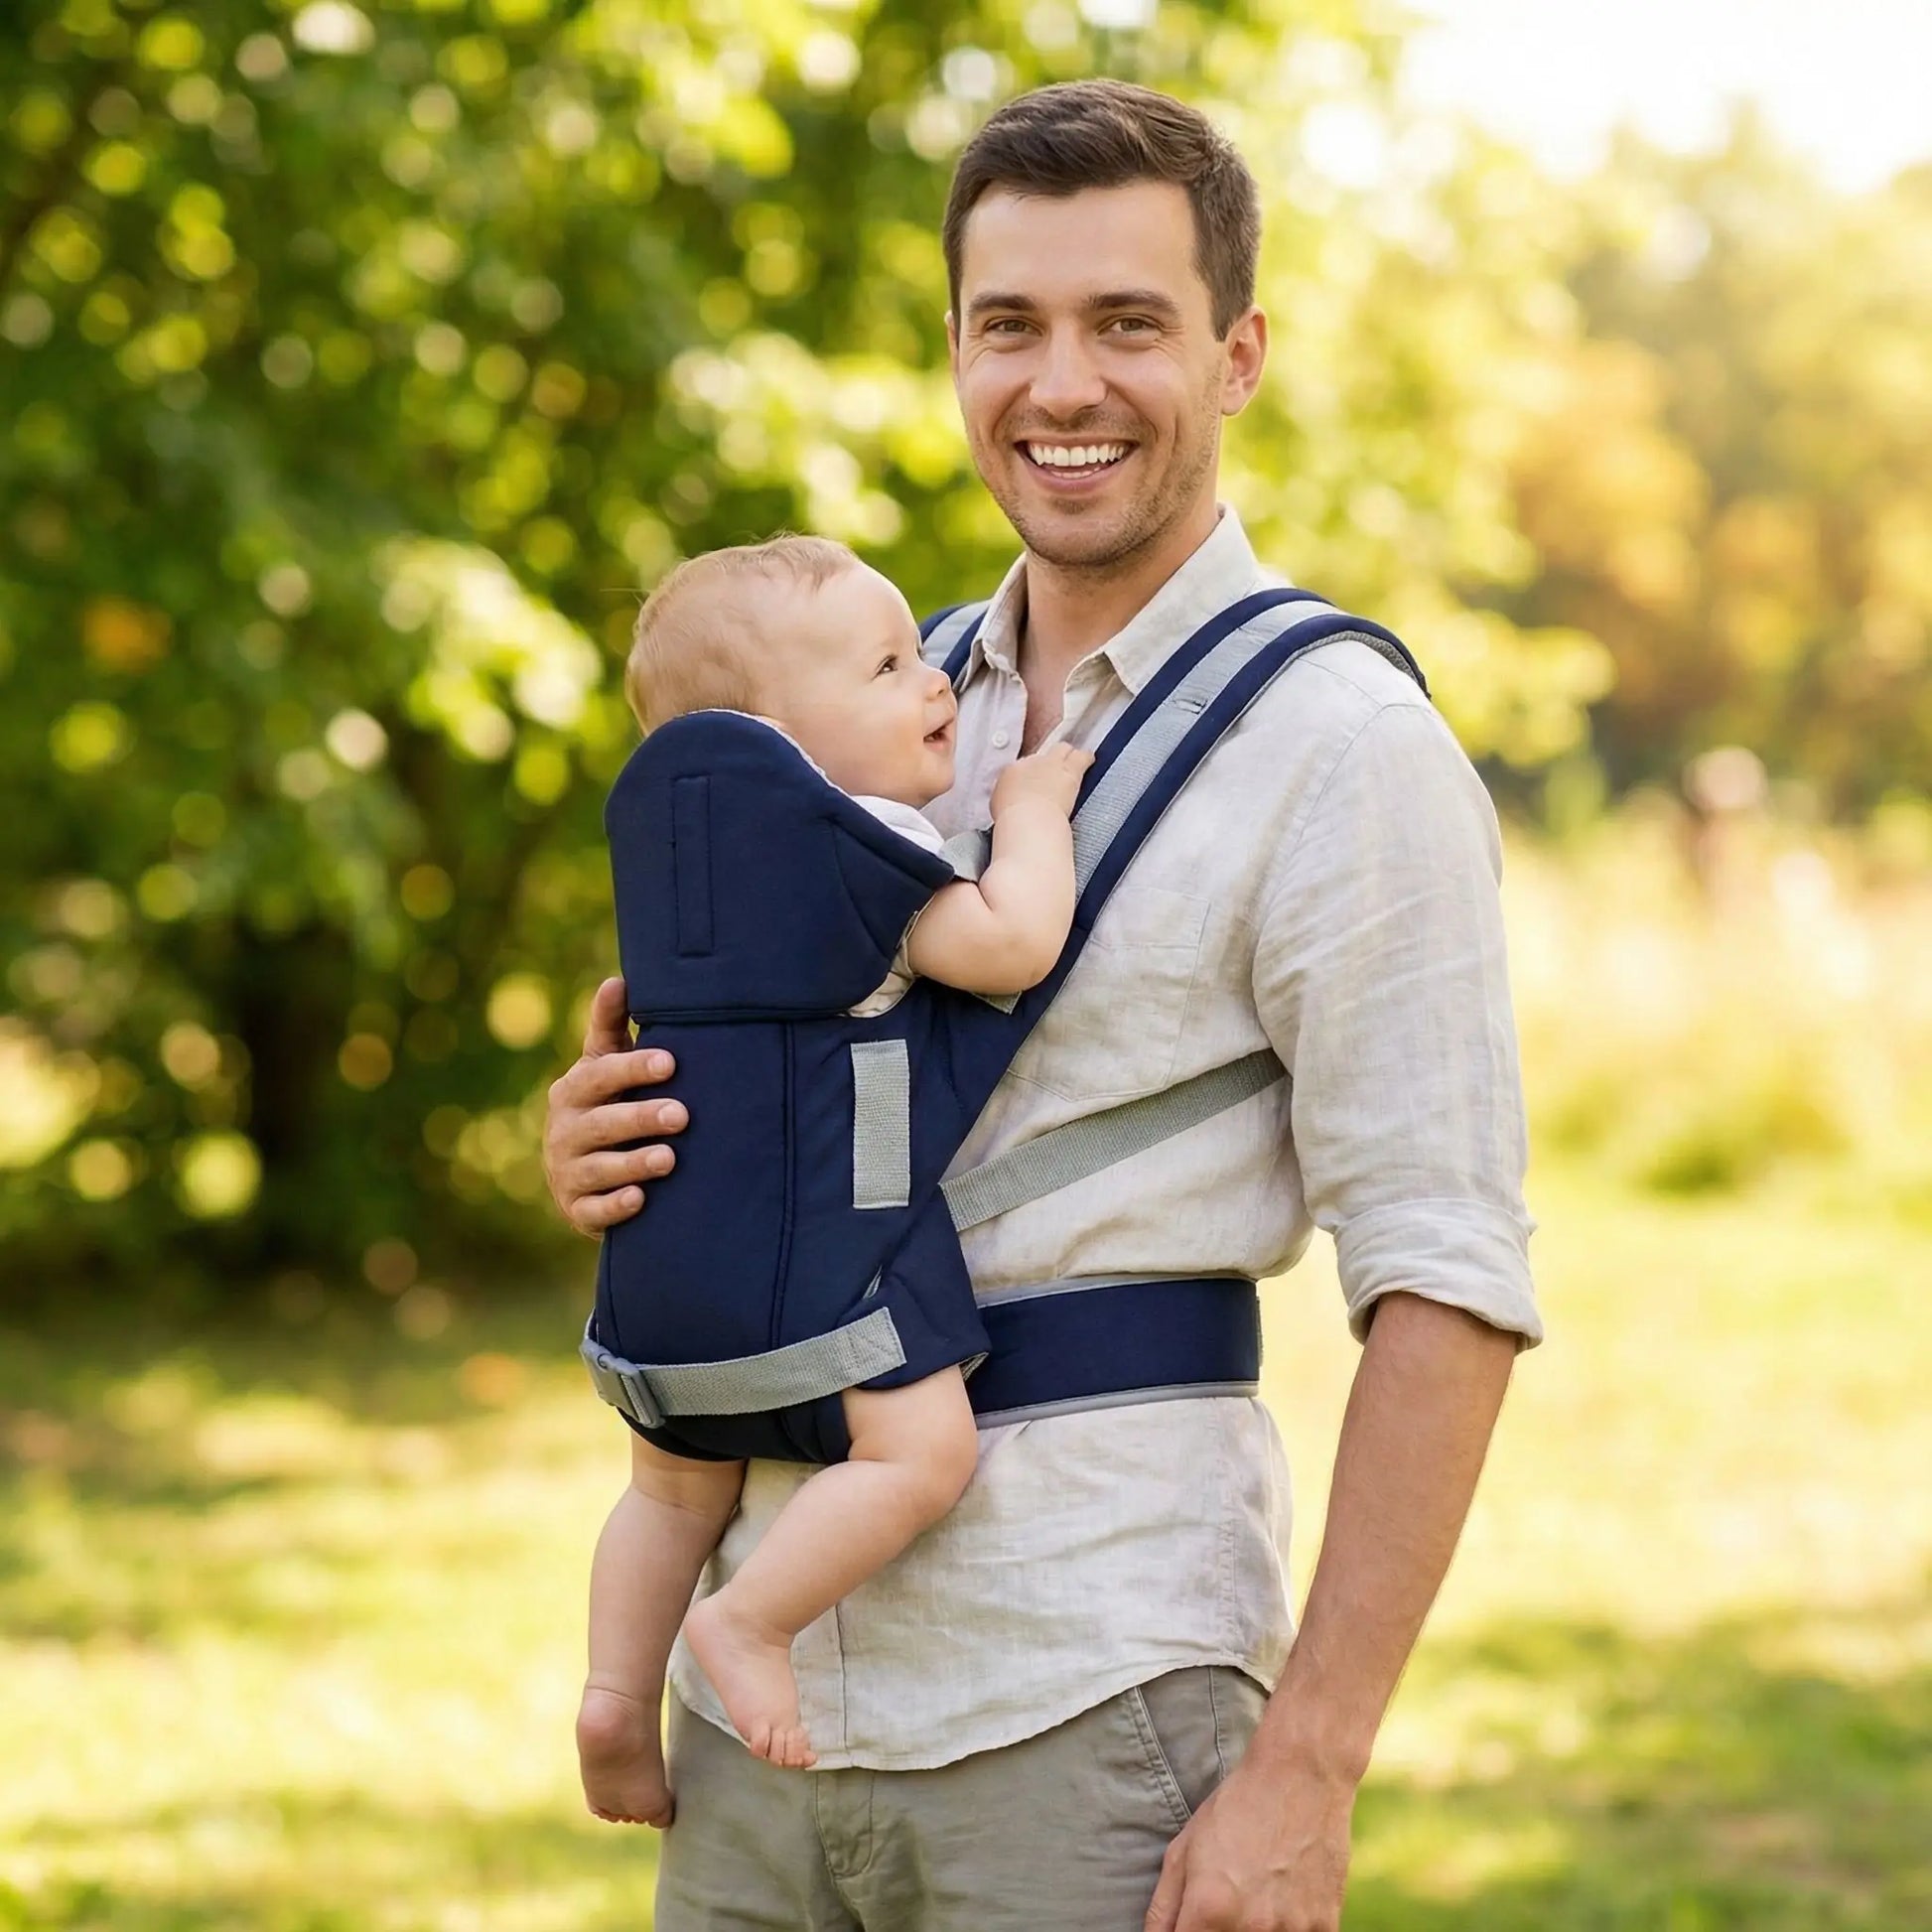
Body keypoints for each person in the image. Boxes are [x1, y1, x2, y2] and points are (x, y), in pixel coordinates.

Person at [544, 78, 1542, 1932]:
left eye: (1127, 323)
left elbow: (1446, 1276)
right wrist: (604, 1135)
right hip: (761, 1694)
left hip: (1087, 1703)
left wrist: (1305, 1768)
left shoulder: (1344, 749)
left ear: (1236, 354)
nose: (1060, 383)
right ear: (952, 350)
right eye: (1011, 325)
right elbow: (762, 1081)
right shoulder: (850, 705)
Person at [576, 535, 1091, 1817]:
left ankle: (606, 1693)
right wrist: (1027, 817)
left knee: (667, 1484)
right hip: (821, 1267)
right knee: (917, 1456)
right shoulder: (852, 839)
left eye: (917, 649)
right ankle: (750, 1622)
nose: (932, 682)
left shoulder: (678, 865)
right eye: (885, 664)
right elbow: (1008, 942)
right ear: (775, 741)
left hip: (664, 1272)